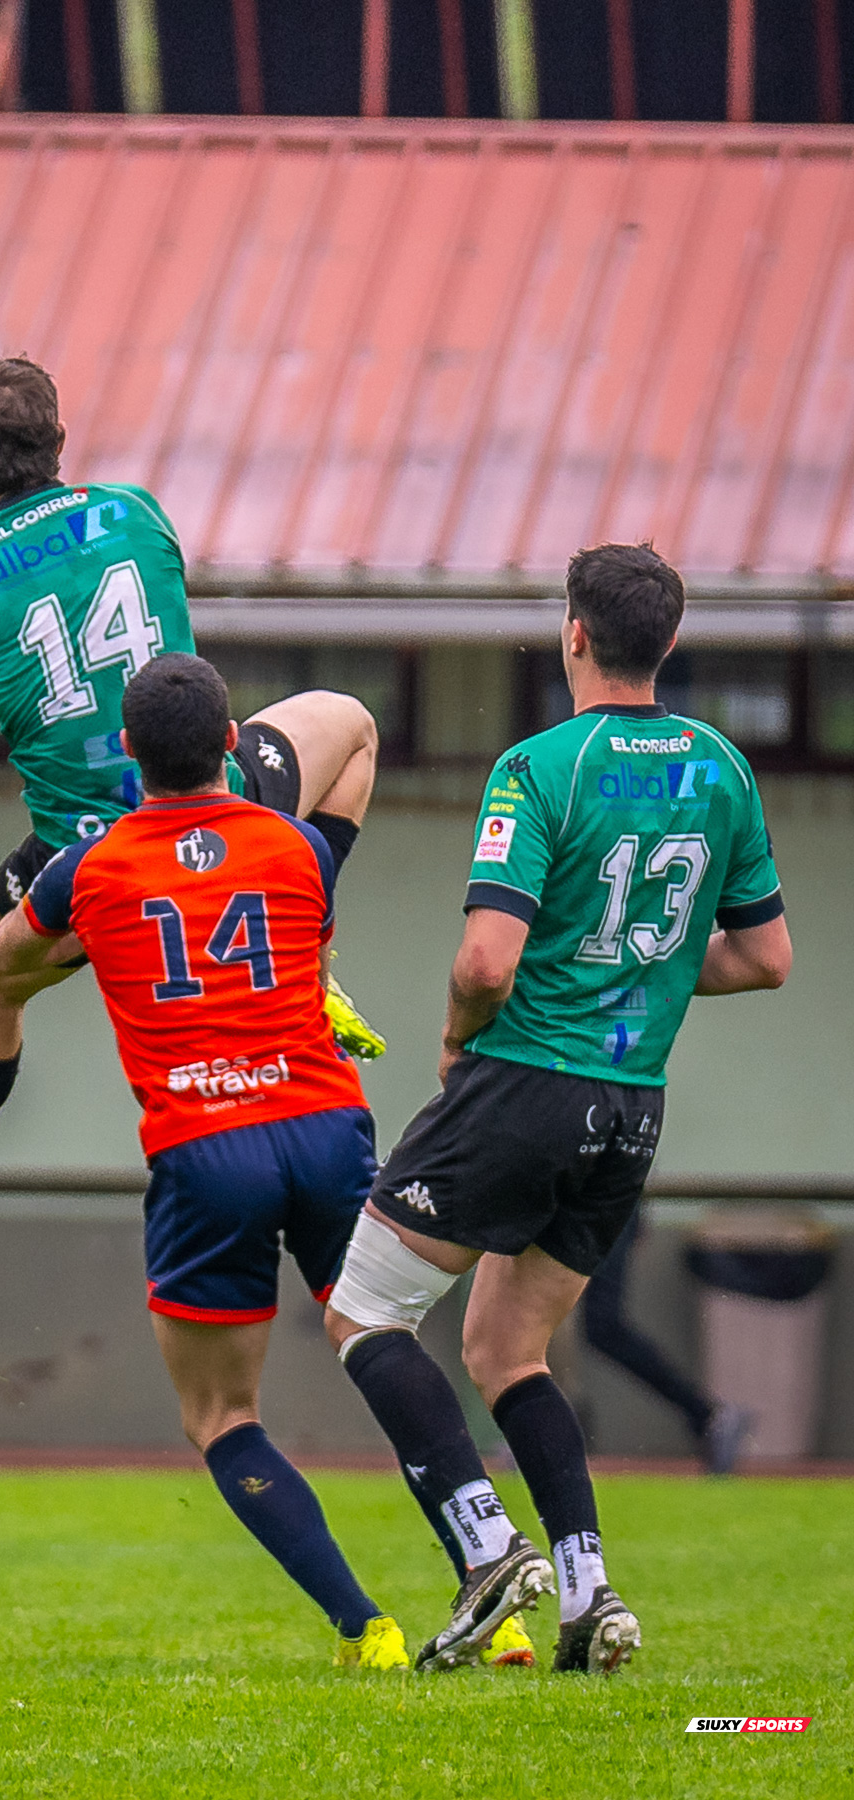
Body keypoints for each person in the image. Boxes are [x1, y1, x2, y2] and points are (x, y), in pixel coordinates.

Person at [322, 541, 792, 1675]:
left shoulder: (541, 767)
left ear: (573, 633)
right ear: (669, 643)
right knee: (504, 1347)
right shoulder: (723, 767)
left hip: (526, 1080)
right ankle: (589, 1595)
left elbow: (487, 961)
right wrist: (654, 979)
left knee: (365, 1314)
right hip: (631, 1112)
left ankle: (488, 1551)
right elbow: (767, 957)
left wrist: (453, 1040)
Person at [0, 356, 383, 1255]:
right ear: (60, 441)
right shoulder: (134, 511)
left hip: (90, 868)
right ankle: (309, 944)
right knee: (349, 728)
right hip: (223, 817)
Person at [0, 651, 404, 1668]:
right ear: (230, 744)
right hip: (323, 1122)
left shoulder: (91, 868)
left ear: (127, 752)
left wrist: (69, 934)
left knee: (220, 1416)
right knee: (387, 1355)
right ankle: (497, 1583)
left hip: (203, 1147)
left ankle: (368, 1628)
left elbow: (2, 966)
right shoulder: (300, 851)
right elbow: (346, 739)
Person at [582, 1207, 753, 1473]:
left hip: (595, 1202)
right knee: (573, 1324)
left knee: (601, 1325)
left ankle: (707, 1414)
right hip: (574, 1202)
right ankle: (532, 1431)